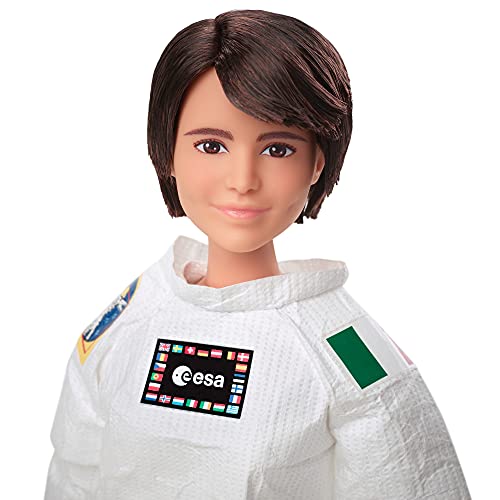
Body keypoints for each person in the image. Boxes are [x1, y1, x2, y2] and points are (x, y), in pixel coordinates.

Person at [44, 9, 471, 499]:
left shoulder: (345, 350)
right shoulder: (130, 318)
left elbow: (411, 481)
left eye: (278, 149)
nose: (243, 180)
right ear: (167, 152)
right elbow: (74, 473)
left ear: (317, 163)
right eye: (211, 146)